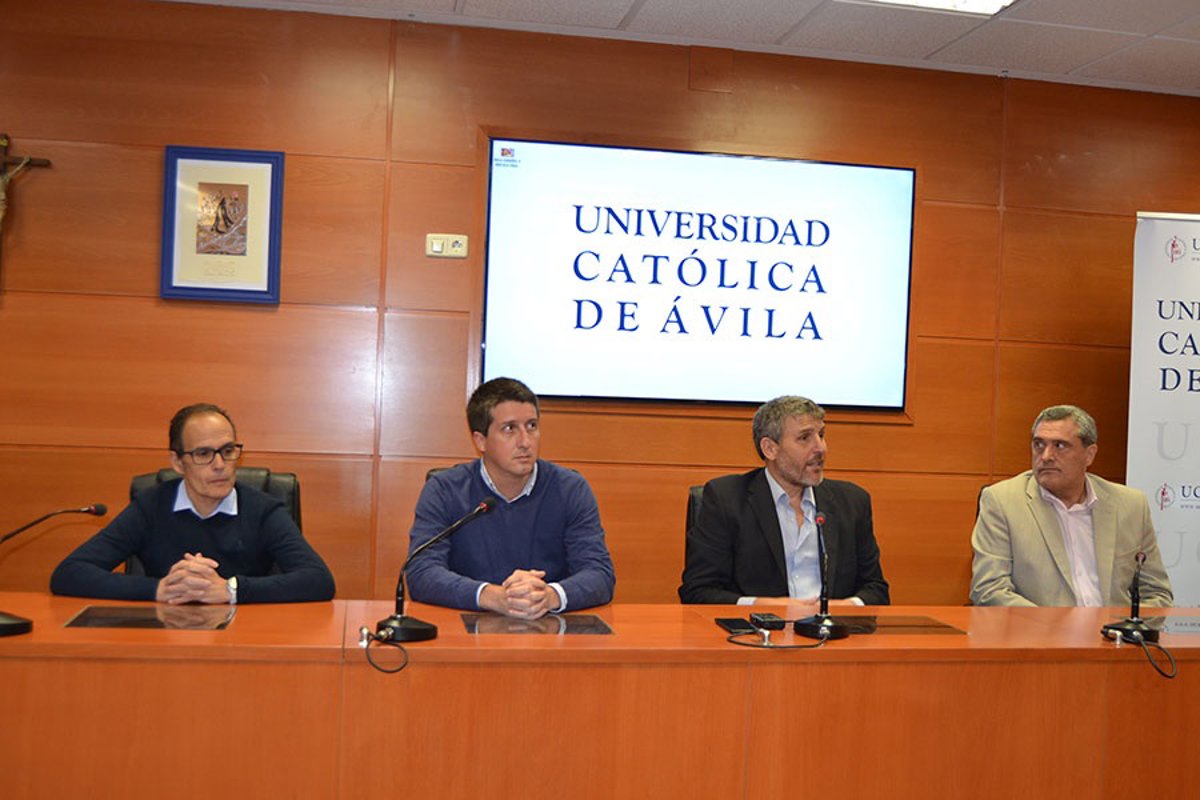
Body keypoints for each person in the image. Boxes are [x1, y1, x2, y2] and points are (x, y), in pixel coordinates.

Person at [50, 403, 335, 604]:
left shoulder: (263, 510)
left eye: (227, 450)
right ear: (177, 462)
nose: (220, 464)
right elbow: (69, 573)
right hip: (163, 639)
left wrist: (230, 589)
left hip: (245, 639)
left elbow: (318, 580)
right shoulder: (150, 507)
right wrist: (159, 589)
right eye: (203, 454)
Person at [405, 377, 615, 619]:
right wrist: (492, 596)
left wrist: (548, 596)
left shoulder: (570, 489)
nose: (525, 442)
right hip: (467, 628)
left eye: (532, 426)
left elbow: (599, 574)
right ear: (480, 441)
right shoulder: (445, 490)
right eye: (509, 429)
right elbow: (422, 572)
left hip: (550, 628)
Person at [679, 396, 889, 606]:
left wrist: (842, 608)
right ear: (770, 449)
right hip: (758, 626)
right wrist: (764, 607)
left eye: (821, 435)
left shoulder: (852, 502)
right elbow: (698, 591)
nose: (821, 448)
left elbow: (876, 590)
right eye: (805, 438)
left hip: (834, 625)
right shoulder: (726, 499)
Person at [970, 405, 1172, 607]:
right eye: (1039, 444)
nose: (1046, 456)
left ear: (1089, 454)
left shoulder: (1131, 505)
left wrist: (1123, 623)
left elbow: (1158, 594)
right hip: (1040, 626)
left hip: (1115, 627)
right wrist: (1057, 624)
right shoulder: (1002, 502)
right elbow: (989, 590)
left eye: (1060, 446)